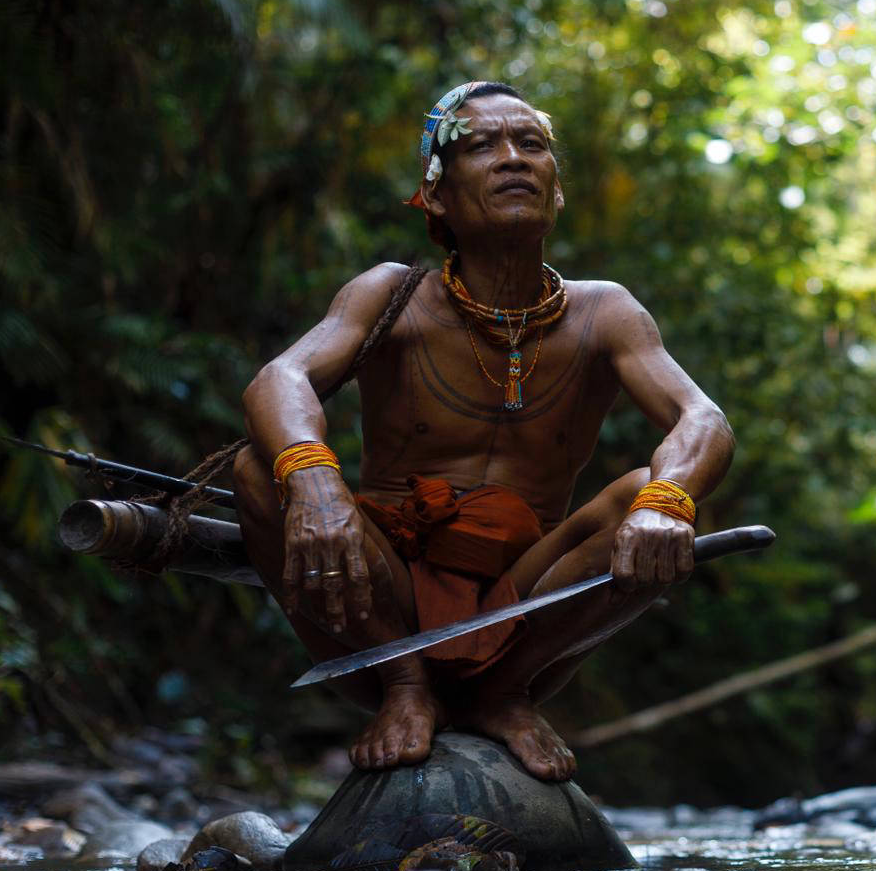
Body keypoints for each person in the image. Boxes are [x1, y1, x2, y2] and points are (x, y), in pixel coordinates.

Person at [232, 81, 734, 781]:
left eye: (531, 144)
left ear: (556, 193)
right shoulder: (390, 294)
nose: (512, 158)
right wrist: (313, 479)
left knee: (652, 493)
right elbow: (279, 379)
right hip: (384, 605)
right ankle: (408, 687)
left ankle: (503, 695)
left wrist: (670, 503)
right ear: (436, 195)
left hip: (529, 606)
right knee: (261, 469)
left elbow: (702, 417)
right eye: (481, 146)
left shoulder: (604, 312)